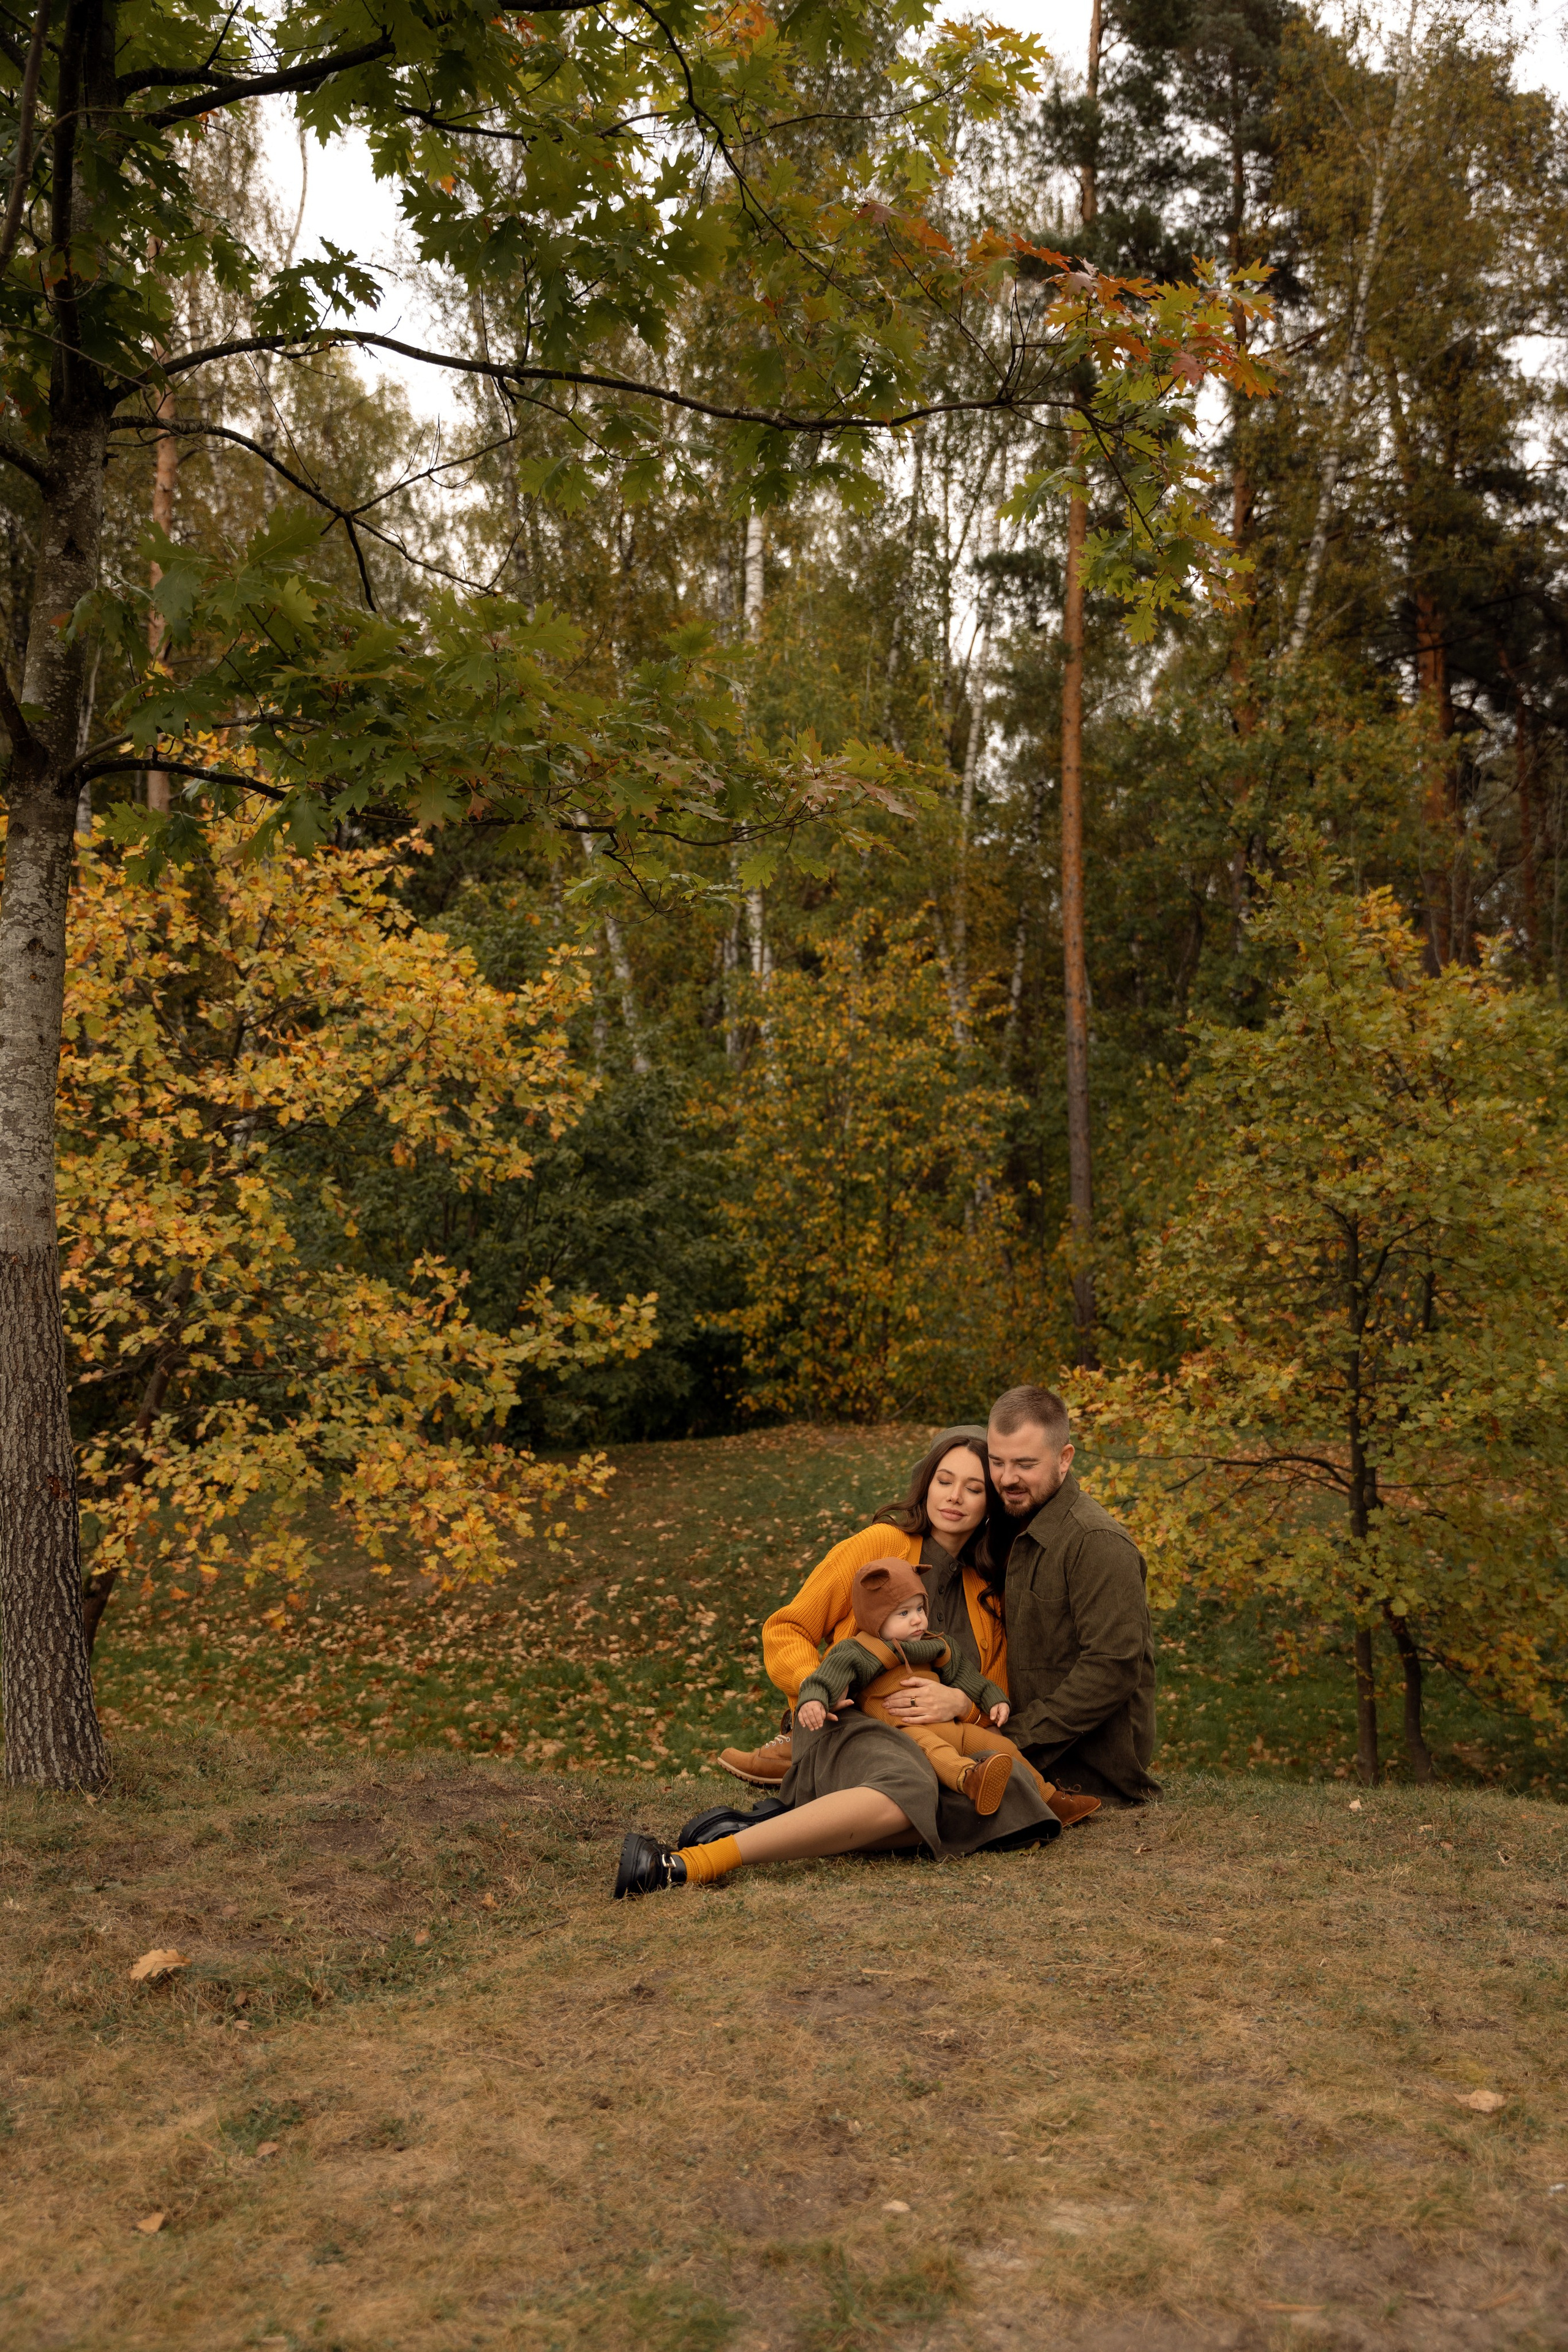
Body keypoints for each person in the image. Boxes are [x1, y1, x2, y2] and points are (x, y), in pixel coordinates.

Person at [715, 1424, 1099, 1830]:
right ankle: (802, 1749)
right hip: (854, 1721)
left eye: (973, 1488)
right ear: (926, 1485)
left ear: (990, 1504)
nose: (954, 1497)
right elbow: (788, 1627)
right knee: (923, 1786)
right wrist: (818, 1685)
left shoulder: (989, 1588)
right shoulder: (880, 1546)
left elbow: (991, 1685)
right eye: (944, 1481)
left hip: (943, 1736)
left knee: (970, 1776)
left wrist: (961, 1705)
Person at [987, 1383, 1158, 1806]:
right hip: (1018, 1752)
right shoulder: (1012, 1522)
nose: (1007, 1478)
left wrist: (1014, 1740)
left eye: (1025, 1464)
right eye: (996, 1462)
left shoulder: (1095, 1541)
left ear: (1065, 1459)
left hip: (1086, 1773)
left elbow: (1113, 1667)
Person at [796, 1557, 1041, 1815]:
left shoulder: (937, 1645)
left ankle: (1048, 1796)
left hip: (954, 1728)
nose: (917, 1620)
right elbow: (827, 1676)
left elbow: (967, 1678)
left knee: (1004, 1747)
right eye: (904, 1613)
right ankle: (970, 1779)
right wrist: (814, 1699)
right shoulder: (859, 1651)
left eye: (919, 1610)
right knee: (932, 1749)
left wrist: (993, 1698)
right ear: (875, 1617)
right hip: (905, 1731)